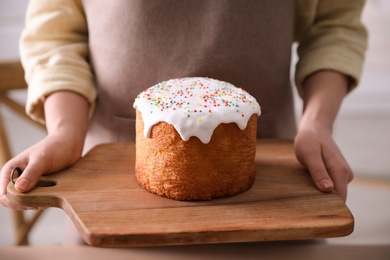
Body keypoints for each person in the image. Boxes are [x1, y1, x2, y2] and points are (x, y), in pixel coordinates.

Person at [1, 0, 367, 240]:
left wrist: (317, 122)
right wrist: (65, 131)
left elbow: (334, 23)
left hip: (272, 190)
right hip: (111, 195)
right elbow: (55, 36)